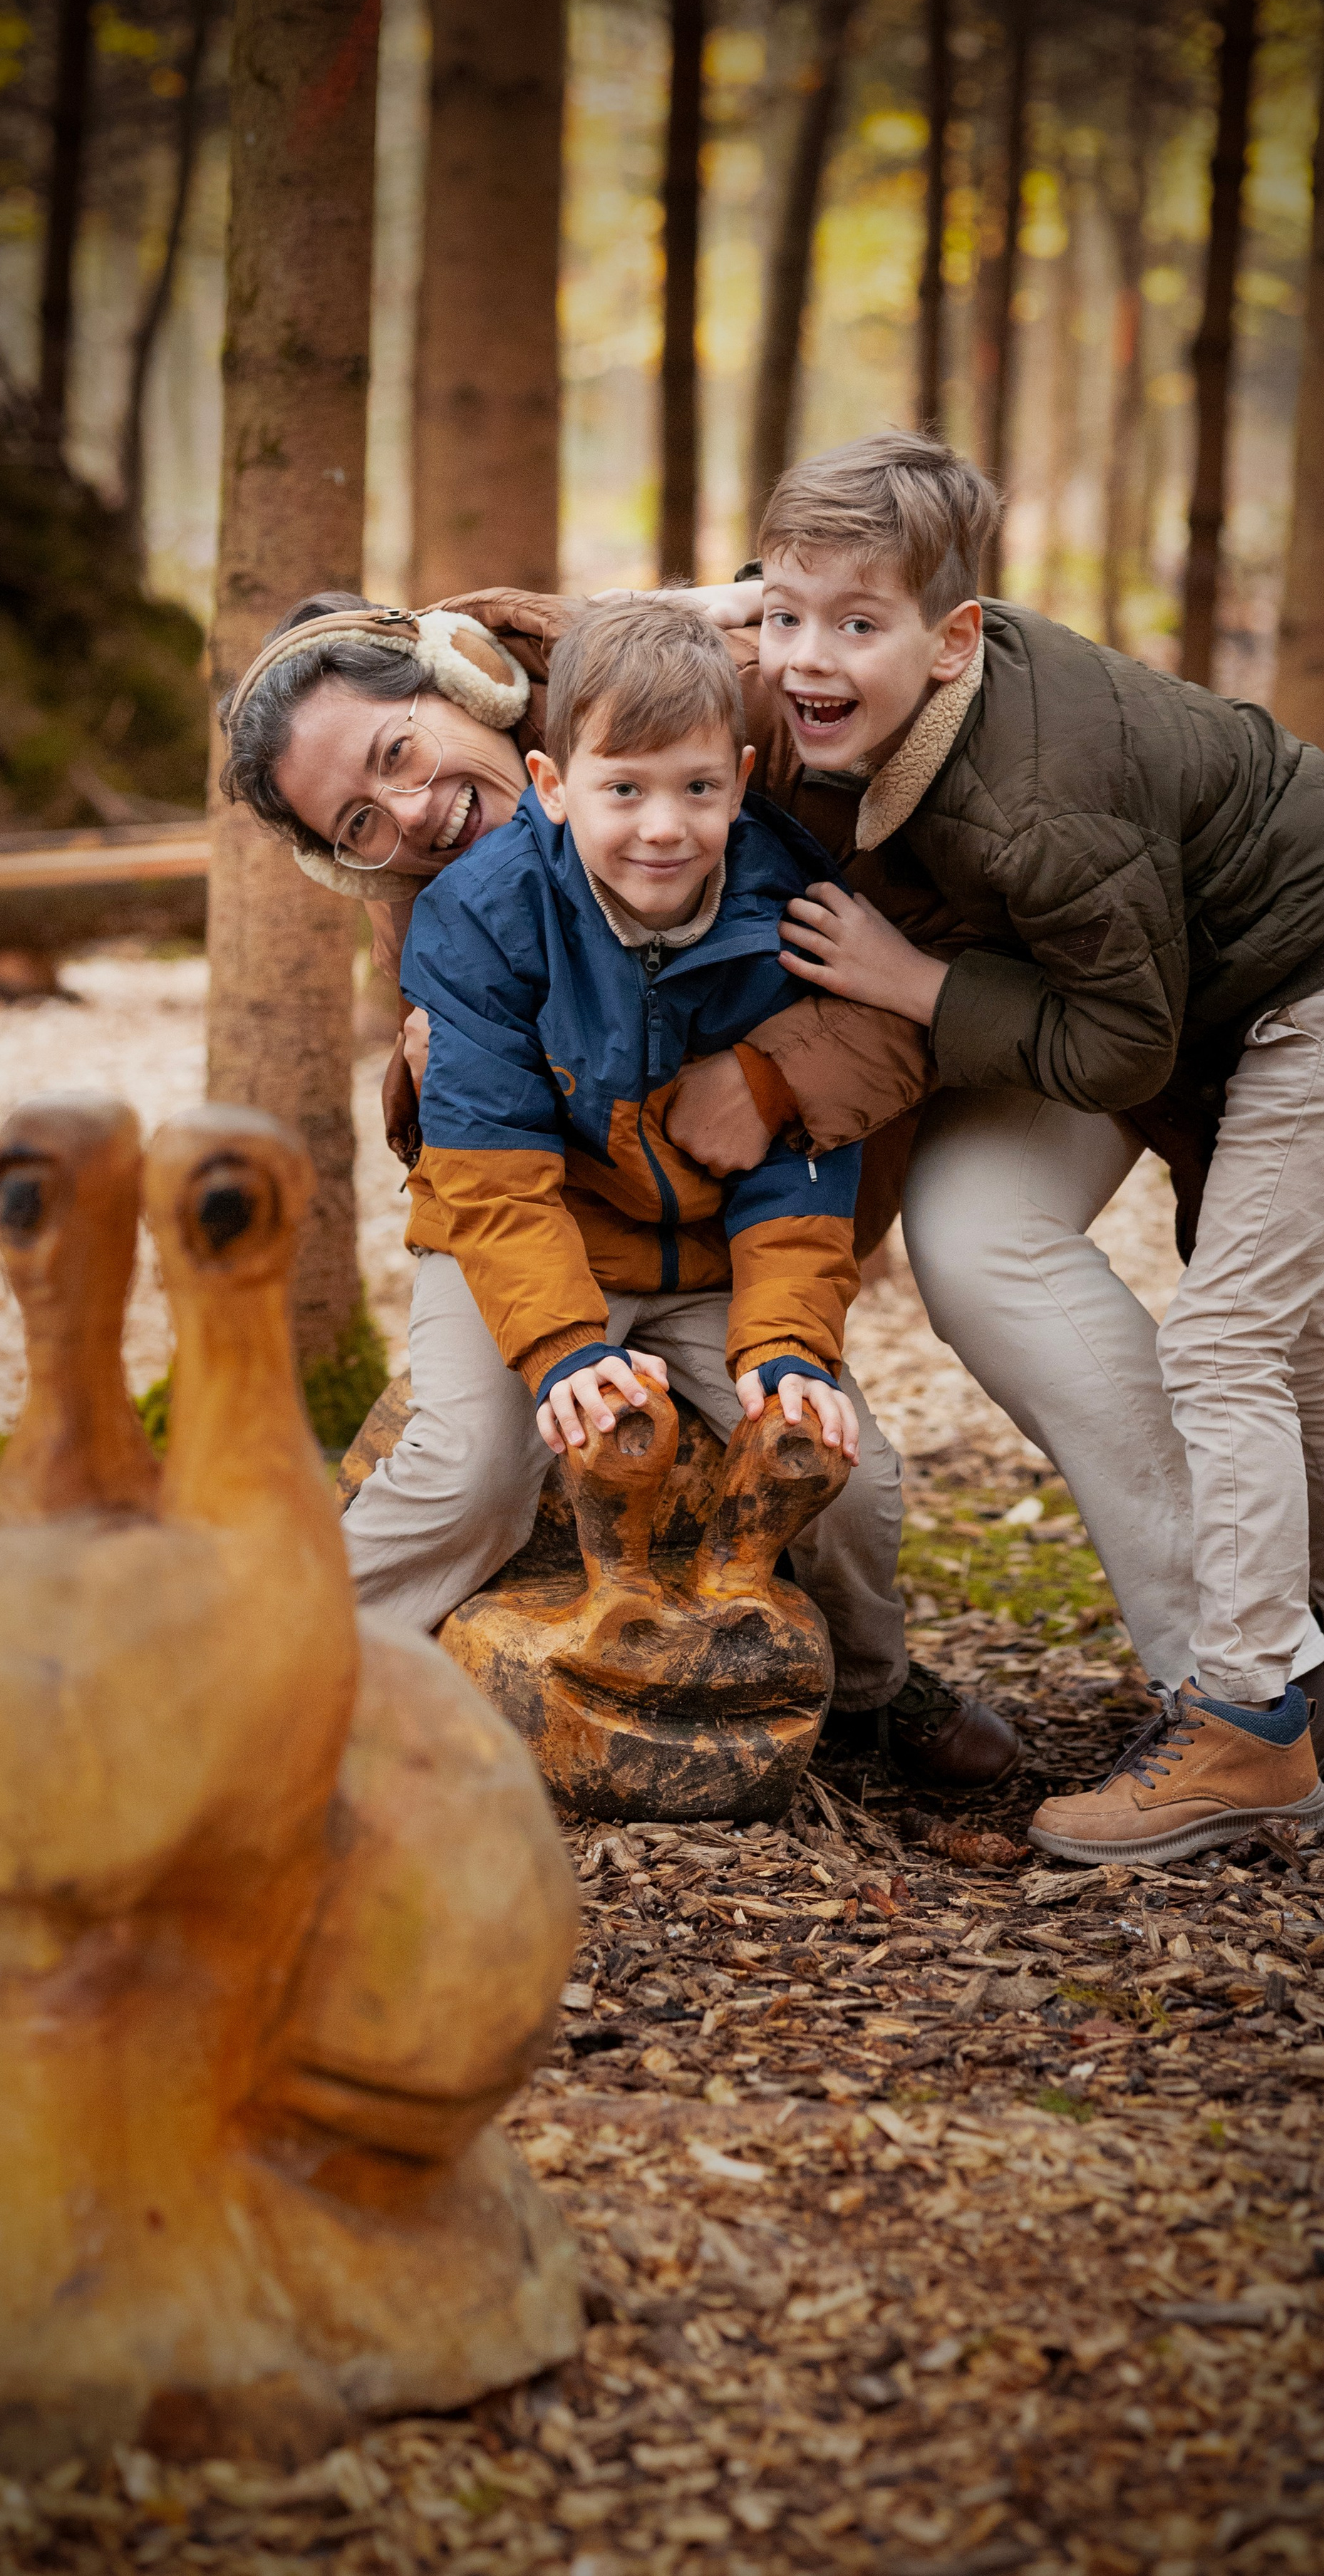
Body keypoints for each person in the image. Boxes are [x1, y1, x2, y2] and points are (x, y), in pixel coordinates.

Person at [655, 429, 1324, 1863]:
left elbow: (1118, 1049)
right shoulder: (853, 681)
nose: (802, 660)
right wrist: (709, 617)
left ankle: (1251, 1721)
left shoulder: (1031, 807)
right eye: (781, 615)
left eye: (855, 624)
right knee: (1037, 1253)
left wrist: (911, 985)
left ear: (954, 638)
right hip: (1156, 976)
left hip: (1317, 986)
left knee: (1236, 1335)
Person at [220, 594, 1018, 1786]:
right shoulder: (461, 921)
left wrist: (789, 1346)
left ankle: (870, 1694)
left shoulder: (769, 888)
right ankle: (288, 1684)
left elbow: (800, 1159)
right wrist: (560, 1348)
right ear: (555, 783)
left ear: (471, 689)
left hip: (698, 1253)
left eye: (399, 755)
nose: (417, 810)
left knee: (854, 1470)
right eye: (363, 821)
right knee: (471, 1469)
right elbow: (488, 1180)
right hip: (521, 1245)